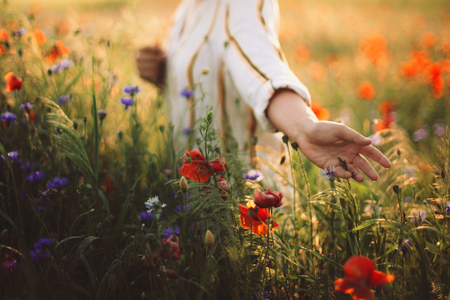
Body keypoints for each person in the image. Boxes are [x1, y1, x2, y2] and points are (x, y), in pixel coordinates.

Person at [136, 0, 391, 182]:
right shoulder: (186, 8)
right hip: (193, 198)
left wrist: (305, 128)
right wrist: (161, 72)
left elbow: (258, 66)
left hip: (249, 203)